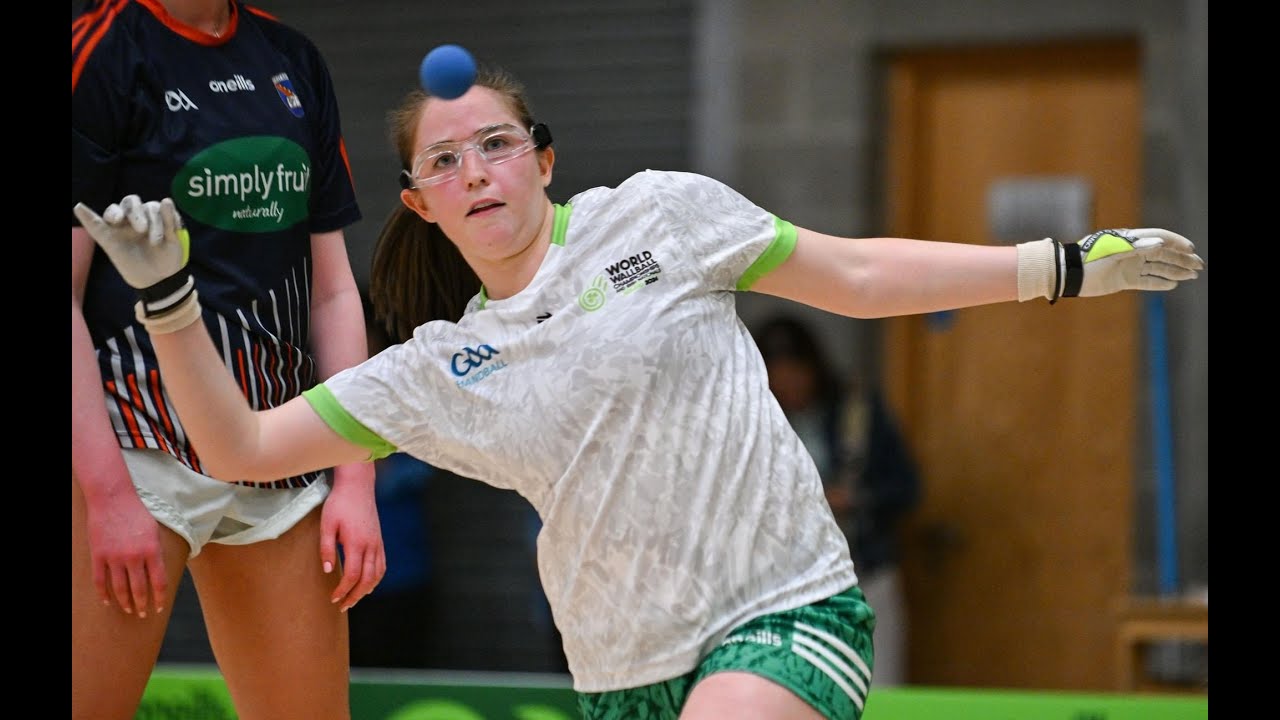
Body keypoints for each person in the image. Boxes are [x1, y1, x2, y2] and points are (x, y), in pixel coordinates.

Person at [74, 59, 1204, 720]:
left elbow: (854, 276)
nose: (477, 173)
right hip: (620, 675)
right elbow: (235, 450)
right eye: (446, 162)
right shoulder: (434, 368)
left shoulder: (660, 214)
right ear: (417, 202)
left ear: (542, 159)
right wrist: (167, 303)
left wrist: (1053, 267)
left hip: (784, 613)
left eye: (497, 145)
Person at [71, 2, 384, 719]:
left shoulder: (292, 59)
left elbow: (333, 292)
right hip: (136, 442)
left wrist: (354, 479)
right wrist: (107, 496)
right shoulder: (101, 53)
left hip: (278, 449)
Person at [755, 315, 921, 688]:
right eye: (778, 381)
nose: (790, 389)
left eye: (796, 376)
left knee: (879, 683)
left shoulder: (855, 410)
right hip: (780, 579)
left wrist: (853, 498)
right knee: (792, 685)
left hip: (864, 569)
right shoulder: (754, 416)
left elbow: (907, 487)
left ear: (814, 368)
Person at [347, 298, 439, 670]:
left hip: (400, 570)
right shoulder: (309, 396)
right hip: (334, 573)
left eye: (359, 334)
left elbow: (425, 466)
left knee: (398, 672)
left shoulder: (404, 395)